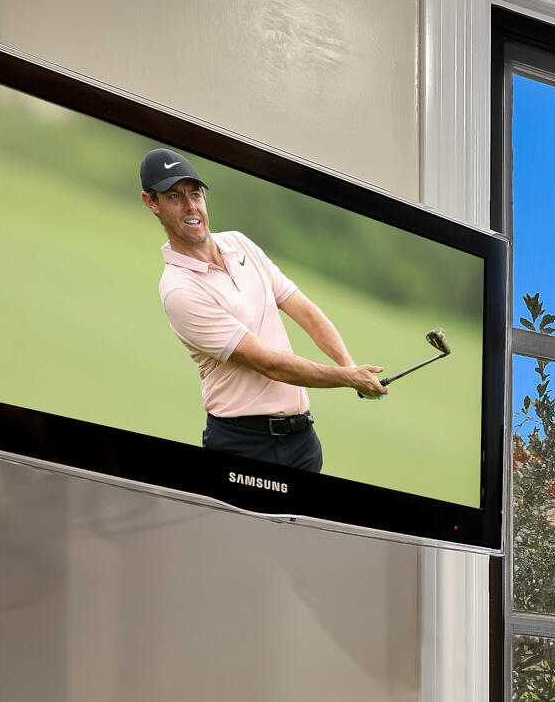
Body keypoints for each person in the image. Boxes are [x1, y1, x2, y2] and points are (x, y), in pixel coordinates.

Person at [140, 146, 384, 473]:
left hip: (302, 441)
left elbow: (305, 312)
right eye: (174, 196)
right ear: (151, 202)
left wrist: (351, 367)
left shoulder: (239, 243)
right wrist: (348, 379)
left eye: (195, 194)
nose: (190, 206)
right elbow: (269, 364)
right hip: (243, 445)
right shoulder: (179, 290)